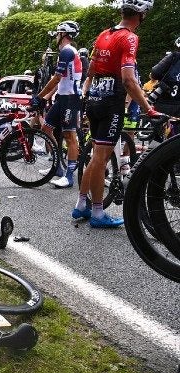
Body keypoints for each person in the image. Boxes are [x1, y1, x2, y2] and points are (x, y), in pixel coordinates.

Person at [74, 0, 161, 228]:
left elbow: (91, 70)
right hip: (111, 102)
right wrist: (148, 109)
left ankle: (81, 204)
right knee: (101, 159)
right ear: (141, 16)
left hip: (93, 99)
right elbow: (128, 80)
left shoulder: (104, 34)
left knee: (96, 156)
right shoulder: (129, 38)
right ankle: (98, 213)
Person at [32, 21, 82, 188]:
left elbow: (57, 78)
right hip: (62, 97)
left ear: (63, 34)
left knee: (69, 137)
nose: (56, 36)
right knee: (46, 129)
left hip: (70, 99)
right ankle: (58, 168)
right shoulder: (65, 52)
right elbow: (61, 82)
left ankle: (69, 177)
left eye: (58, 33)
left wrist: (39, 96)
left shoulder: (67, 51)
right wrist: (46, 97)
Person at [150, 37, 180, 117]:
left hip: (164, 100)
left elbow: (155, 73)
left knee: (160, 126)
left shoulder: (174, 56)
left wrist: (164, 79)